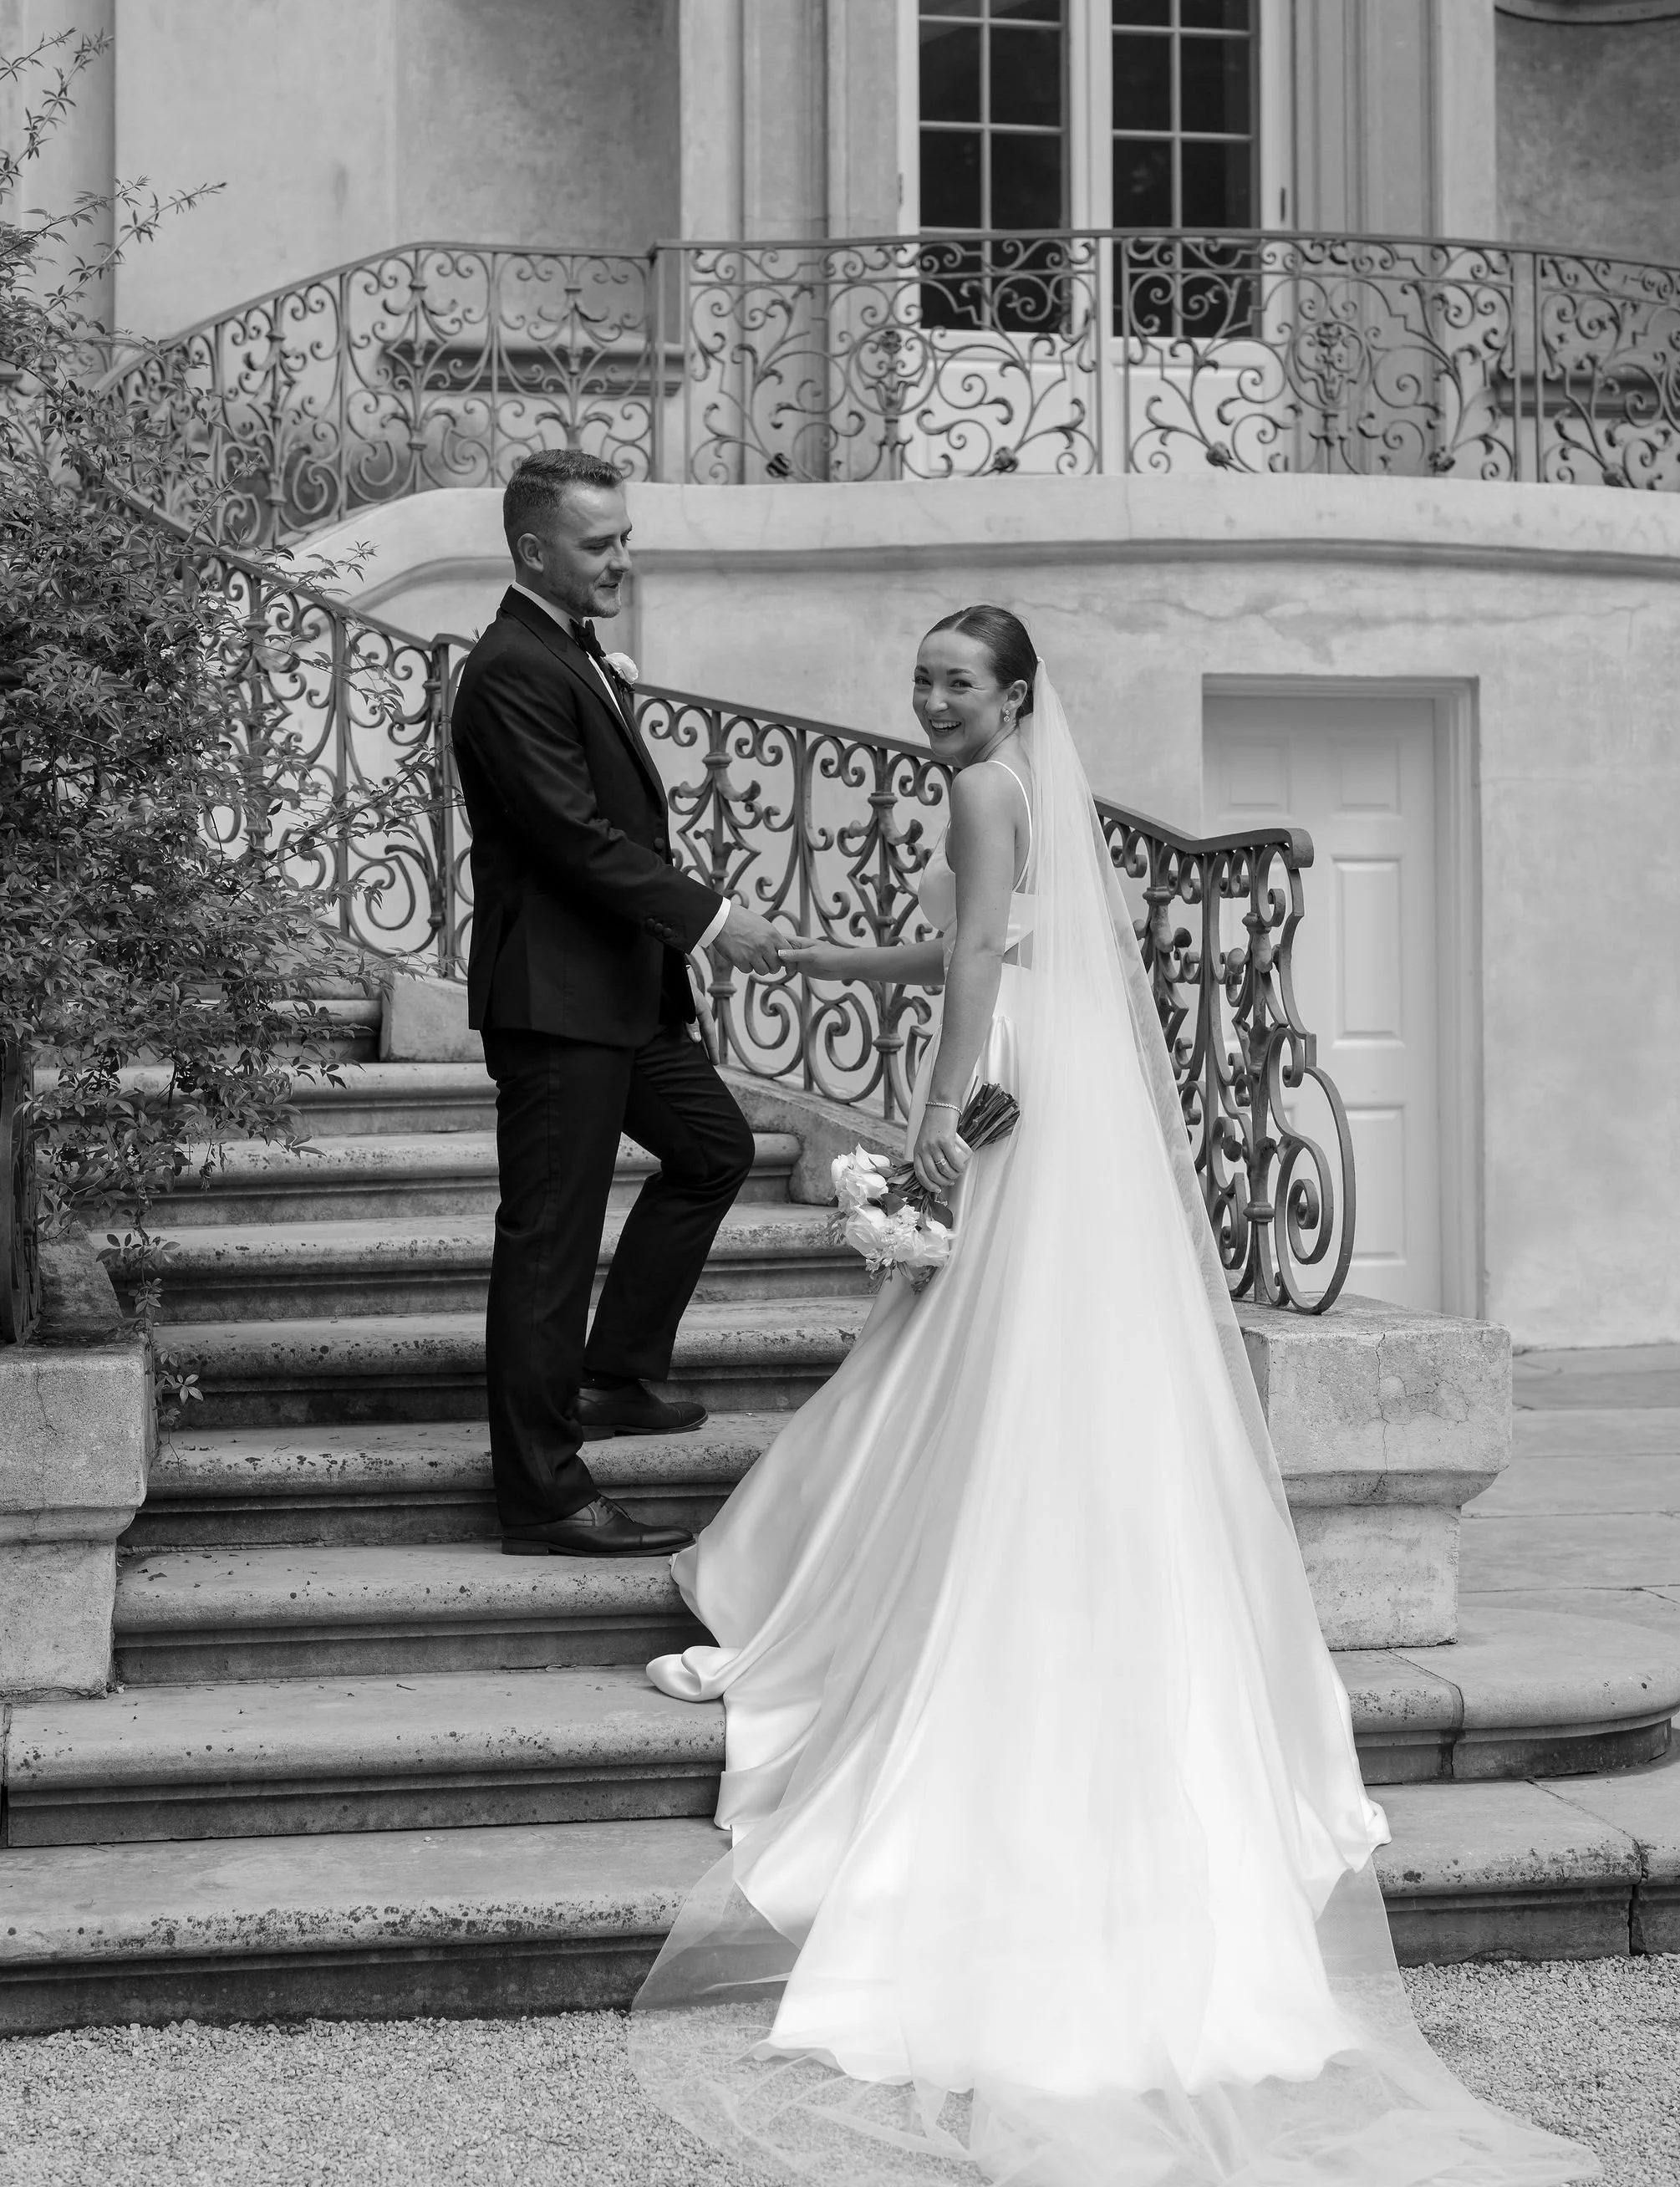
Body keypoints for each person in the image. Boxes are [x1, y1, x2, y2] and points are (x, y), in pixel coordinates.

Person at [629, 606, 1597, 2185]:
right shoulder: (1014, 791)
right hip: (1048, 1079)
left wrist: (937, 1126)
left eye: (959, 682)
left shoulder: (982, 788)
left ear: (1017, 697)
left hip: (1003, 1093)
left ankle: (880, 1591)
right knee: (984, 1348)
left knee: (959, 1342)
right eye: (922, 677)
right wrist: (830, 958)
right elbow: (986, 946)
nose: (932, 700)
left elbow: (975, 970)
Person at [451, 449, 781, 1560]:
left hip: (621, 992)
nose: (621, 561)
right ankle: (543, 1493)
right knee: (548, 1246)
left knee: (713, 1149)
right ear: (533, 548)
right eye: (599, 544)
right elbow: (574, 839)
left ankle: (616, 1372)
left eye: (625, 538)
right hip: (556, 1001)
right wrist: (711, 919)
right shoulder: (510, 666)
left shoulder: (570, 650)